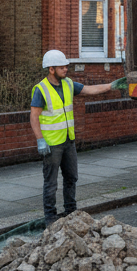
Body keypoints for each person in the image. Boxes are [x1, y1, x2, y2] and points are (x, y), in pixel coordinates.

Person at [31, 50, 126, 227]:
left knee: (71, 178)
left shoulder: (68, 84)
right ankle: (50, 217)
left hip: (68, 141)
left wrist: (111, 86)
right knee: (51, 183)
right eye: (62, 67)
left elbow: (89, 90)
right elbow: (34, 116)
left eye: (66, 66)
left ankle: (70, 211)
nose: (66, 69)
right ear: (51, 69)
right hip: (51, 144)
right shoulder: (41, 89)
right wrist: (40, 139)